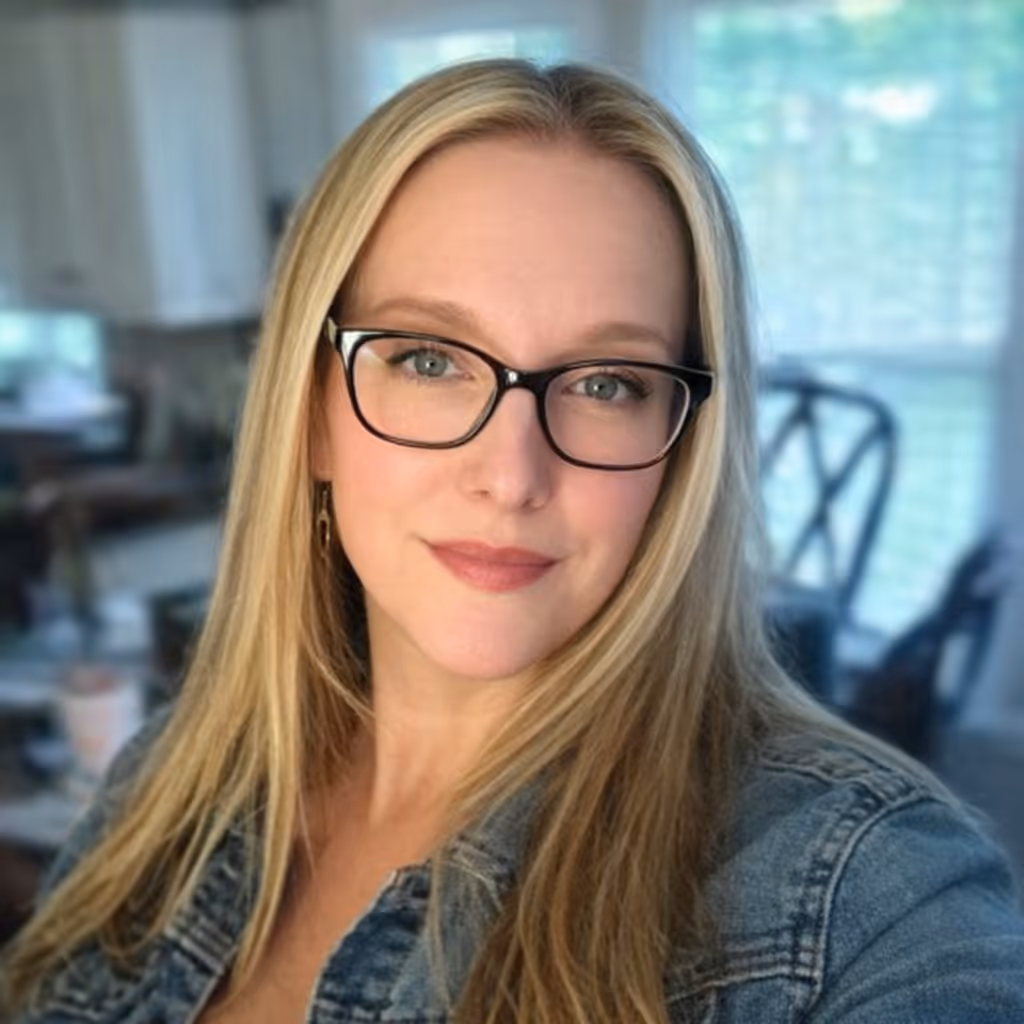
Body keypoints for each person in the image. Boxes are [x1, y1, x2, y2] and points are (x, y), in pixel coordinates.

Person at [4, 59, 1024, 1024]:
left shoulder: (863, 891)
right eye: (428, 360)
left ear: (682, 449)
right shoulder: (167, 782)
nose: (511, 474)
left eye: (606, 384)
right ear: (312, 411)